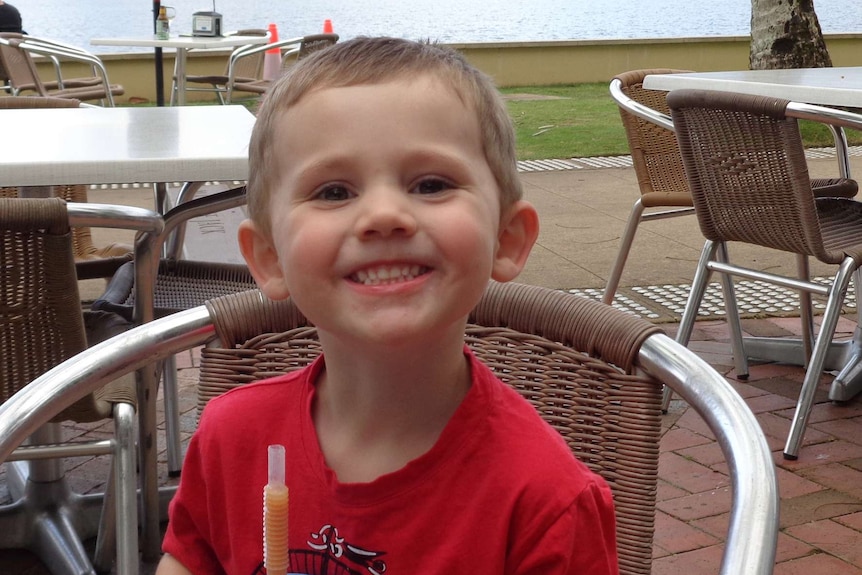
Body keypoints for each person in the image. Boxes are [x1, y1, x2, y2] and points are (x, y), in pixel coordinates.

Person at [157, 36, 619, 575]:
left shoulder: (546, 503)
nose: (383, 214)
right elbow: (188, 560)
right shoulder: (230, 438)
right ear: (269, 258)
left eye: (430, 184)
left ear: (508, 238)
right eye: (333, 192)